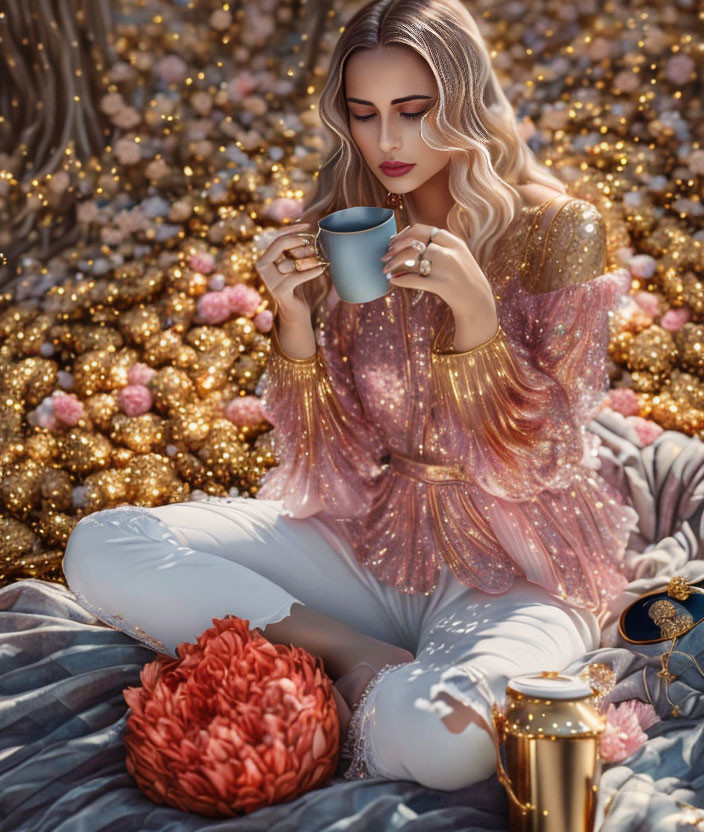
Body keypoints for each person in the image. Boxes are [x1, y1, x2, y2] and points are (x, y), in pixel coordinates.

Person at [62, 0, 640, 791]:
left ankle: (368, 701)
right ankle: (353, 658)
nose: (388, 142)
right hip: (371, 546)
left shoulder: (557, 228)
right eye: (364, 115)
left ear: (466, 102)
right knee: (104, 544)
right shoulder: (351, 225)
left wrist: (474, 315)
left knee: (440, 739)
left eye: (413, 110)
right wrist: (294, 322)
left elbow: (546, 454)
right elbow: (327, 459)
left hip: (521, 565)